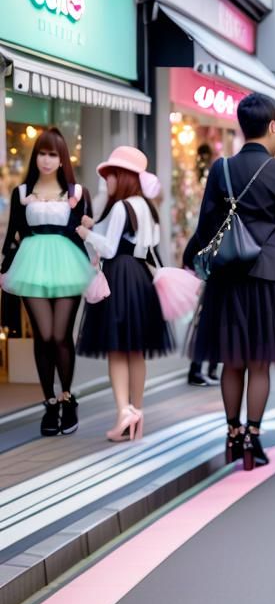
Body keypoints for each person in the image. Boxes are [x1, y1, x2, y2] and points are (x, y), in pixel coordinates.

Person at [183, 93, 275, 470]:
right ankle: (254, 438)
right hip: (271, 278)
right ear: (273, 126)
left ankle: (232, 435)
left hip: (228, 278)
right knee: (260, 364)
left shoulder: (221, 168)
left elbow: (207, 223)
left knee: (232, 361)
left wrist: (190, 259)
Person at [0, 128, 94, 435]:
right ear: (35, 156)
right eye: (42, 153)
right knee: (43, 335)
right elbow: (13, 233)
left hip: (68, 264)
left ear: (62, 157)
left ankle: (68, 398)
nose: (47, 160)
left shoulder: (77, 192)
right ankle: (50, 402)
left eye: (53, 154)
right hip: (31, 265)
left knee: (60, 335)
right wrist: (4, 267)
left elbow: (85, 232)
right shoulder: (21, 191)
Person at [77, 147, 174, 441]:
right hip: (141, 277)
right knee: (135, 351)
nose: (107, 182)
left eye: (110, 176)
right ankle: (136, 411)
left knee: (117, 349)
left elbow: (108, 248)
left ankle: (123, 411)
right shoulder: (148, 207)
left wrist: (87, 235)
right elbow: (149, 242)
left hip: (119, 274)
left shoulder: (121, 207)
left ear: (124, 177)